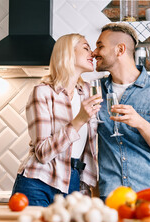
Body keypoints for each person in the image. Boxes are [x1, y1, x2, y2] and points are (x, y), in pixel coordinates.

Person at [11, 33, 103, 207]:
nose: (92, 53)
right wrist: (79, 120)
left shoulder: (89, 92)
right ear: (68, 52)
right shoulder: (43, 92)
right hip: (39, 181)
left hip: (74, 183)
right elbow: (43, 153)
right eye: (86, 48)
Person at [92, 23, 150, 202]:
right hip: (112, 196)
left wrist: (140, 123)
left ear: (120, 49)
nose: (94, 52)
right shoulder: (95, 90)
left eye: (100, 46)